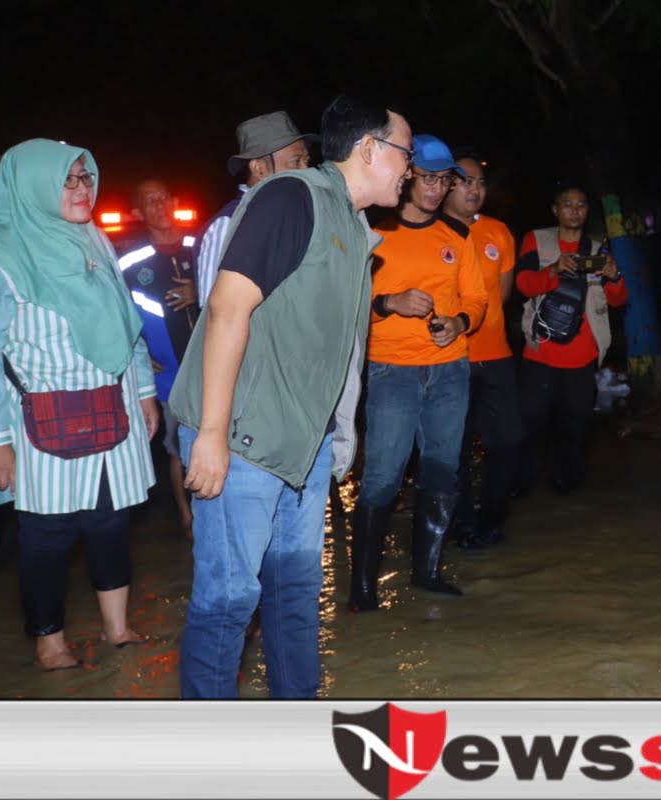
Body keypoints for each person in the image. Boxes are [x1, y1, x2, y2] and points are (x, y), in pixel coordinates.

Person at [170, 96, 411, 698]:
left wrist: (339, 438)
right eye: (405, 152)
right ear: (370, 149)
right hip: (245, 437)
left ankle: (296, 734)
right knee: (228, 600)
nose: (408, 168)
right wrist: (212, 435)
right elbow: (227, 308)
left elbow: (336, 352)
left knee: (295, 596)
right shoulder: (291, 197)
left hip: (301, 448)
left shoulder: (354, 229)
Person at [0, 139, 158, 671]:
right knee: (48, 533)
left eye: (86, 178)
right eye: (67, 180)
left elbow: (127, 325)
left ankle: (116, 628)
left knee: (111, 521)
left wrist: (142, 391)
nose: (81, 189)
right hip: (41, 419)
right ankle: (50, 641)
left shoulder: (95, 241)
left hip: (112, 410)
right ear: (32, 186)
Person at [347, 134, 487, 612]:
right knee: (383, 476)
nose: (435, 187)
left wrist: (460, 323)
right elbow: (344, 307)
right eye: (428, 177)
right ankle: (363, 589)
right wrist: (390, 302)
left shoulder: (458, 237)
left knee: (443, 470)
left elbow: (478, 300)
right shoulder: (372, 233)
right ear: (406, 177)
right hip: (393, 372)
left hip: (450, 371)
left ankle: (426, 573)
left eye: (443, 178)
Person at [512, 183, 628, 496]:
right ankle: (523, 484)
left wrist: (615, 277)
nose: (574, 210)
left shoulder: (598, 246)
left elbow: (617, 300)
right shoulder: (536, 239)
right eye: (567, 204)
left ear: (587, 210)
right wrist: (553, 270)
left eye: (580, 204)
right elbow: (522, 284)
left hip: (583, 354)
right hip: (541, 352)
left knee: (576, 424)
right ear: (555, 209)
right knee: (530, 421)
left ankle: (568, 486)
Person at [441, 150, 521, 550]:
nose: (475, 190)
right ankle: (462, 526)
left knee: (507, 441)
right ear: (447, 186)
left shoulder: (499, 233)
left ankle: (492, 520)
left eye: (480, 182)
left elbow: (501, 297)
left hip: (496, 356)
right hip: (448, 359)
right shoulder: (431, 232)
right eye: (465, 181)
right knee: (453, 449)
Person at [117, 177, 198, 537]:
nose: (160, 205)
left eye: (165, 196)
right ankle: (187, 518)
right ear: (138, 212)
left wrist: (200, 290)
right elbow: (115, 313)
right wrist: (135, 350)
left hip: (212, 365)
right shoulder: (130, 261)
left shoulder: (203, 244)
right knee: (178, 447)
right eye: (150, 201)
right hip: (168, 373)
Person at [194, 111, 315, 307]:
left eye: (306, 161)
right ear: (259, 168)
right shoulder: (228, 224)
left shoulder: (298, 217)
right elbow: (214, 314)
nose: (307, 171)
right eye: (295, 161)